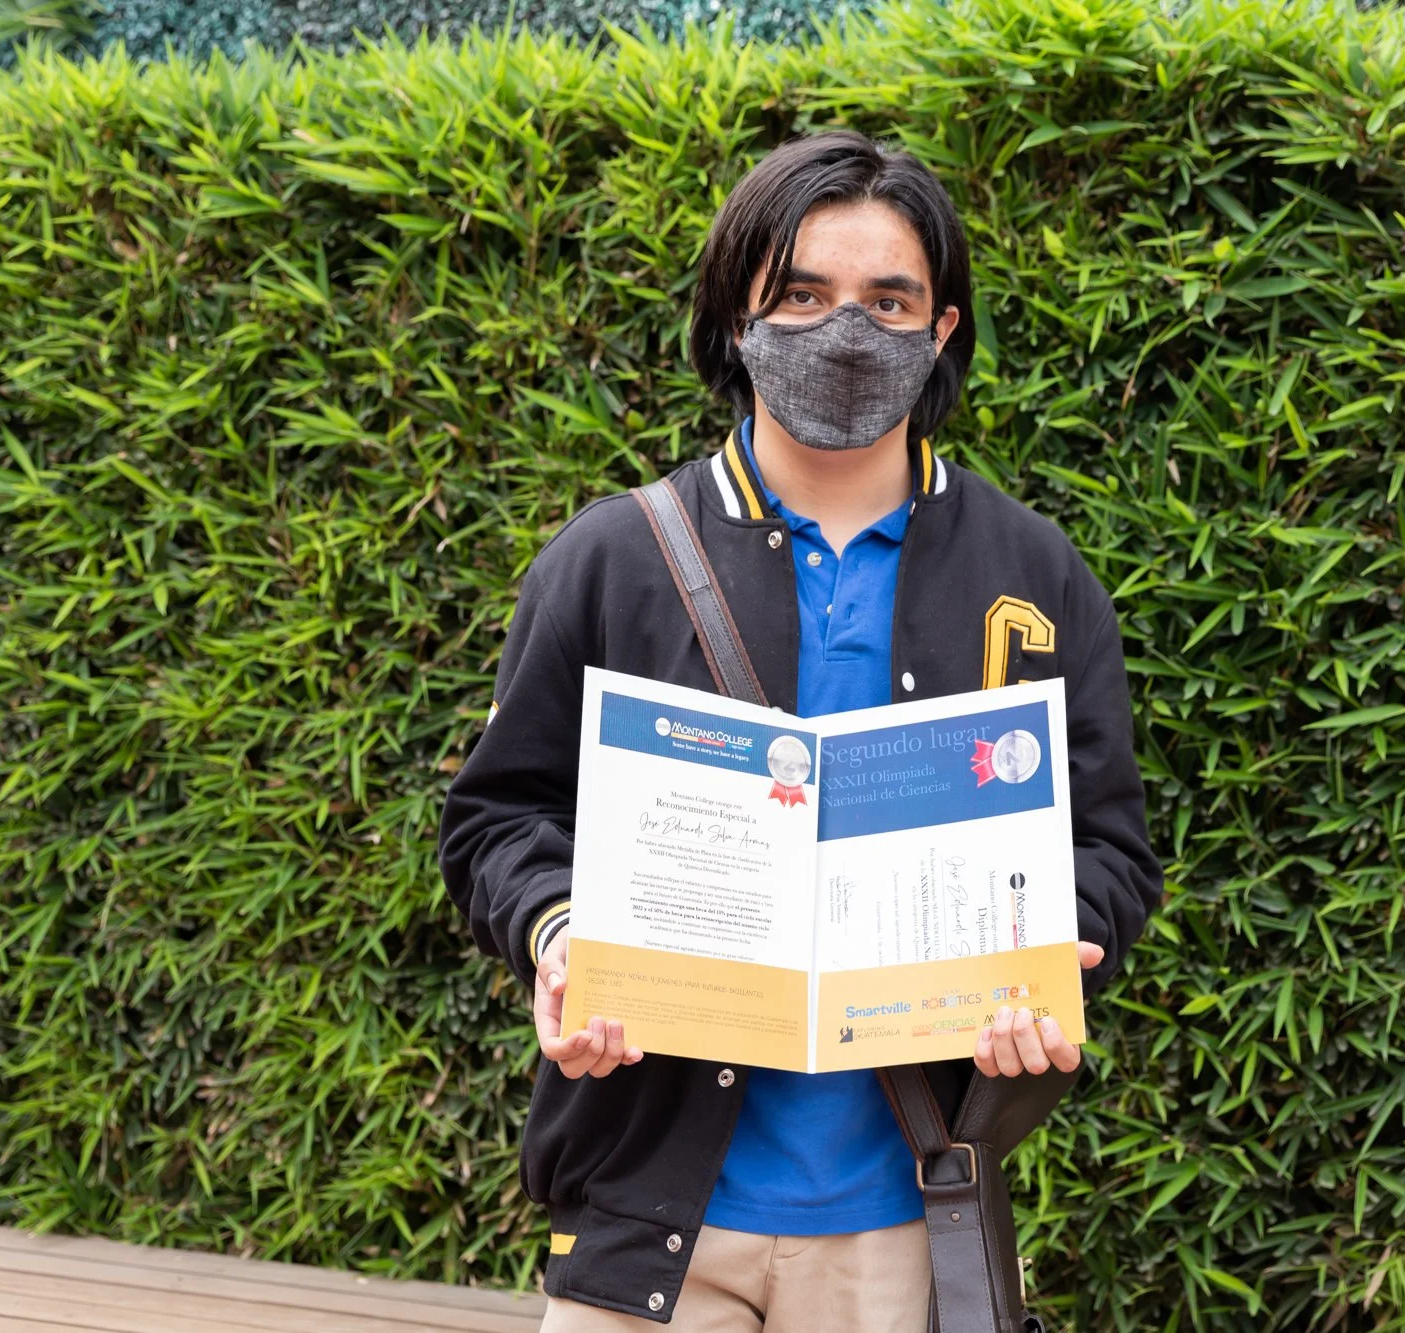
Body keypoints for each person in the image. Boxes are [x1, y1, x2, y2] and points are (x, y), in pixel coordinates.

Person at [438, 128, 1161, 1331]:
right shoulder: (613, 559)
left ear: (940, 329)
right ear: (738, 316)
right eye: (803, 295)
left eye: (889, 301)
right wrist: (557, 936)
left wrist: (1048, 956)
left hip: (898, 1225)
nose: (847, 331)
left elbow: (1107, 847)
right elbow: (499, 816)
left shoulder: (1030, 576)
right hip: (644, 1219)